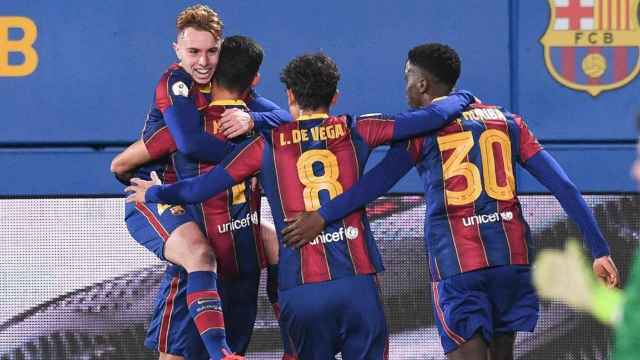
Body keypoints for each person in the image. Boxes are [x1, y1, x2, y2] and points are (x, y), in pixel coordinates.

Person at [280, 43, 620, 360]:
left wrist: (323, 216)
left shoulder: (422, 132)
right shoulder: (508, 121)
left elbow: (373, 185)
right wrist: (599, 249)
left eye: (408, 78)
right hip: (510, 260)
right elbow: (563, 185)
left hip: (458, 264)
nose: (405, 87)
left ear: (424, 85)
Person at [123, 52, 475, 358]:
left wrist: (154, 194)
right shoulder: (358, 128)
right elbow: (431, 118)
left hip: (302, 290)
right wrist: (463, 97)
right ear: (335, 97)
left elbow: (200, 188)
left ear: (290, 95)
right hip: (356, 283)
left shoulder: (266, 146)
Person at [110, 5, 289, 360]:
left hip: (207, 201)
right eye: (193, 51)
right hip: (158, 194)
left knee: (278, 244)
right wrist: (250, 157)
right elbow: (184, 145)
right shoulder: (176, 84)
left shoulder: (232, 94)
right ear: (177, 50)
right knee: (198, 254)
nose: (203, 61)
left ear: (221, 49)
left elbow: (284, 120)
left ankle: (293, 344)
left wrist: (252, 119)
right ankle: (220, 350)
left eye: (211, 51)